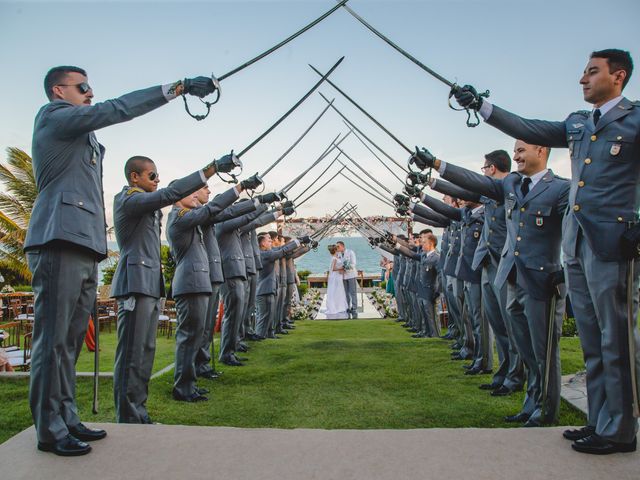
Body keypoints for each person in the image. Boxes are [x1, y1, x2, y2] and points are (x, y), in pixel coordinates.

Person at [454, 48, 639, 455]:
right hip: (577, 247)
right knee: (593, 340)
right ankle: (601, 421)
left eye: (592, 72)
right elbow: (526, 124)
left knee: (616, 340)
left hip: (613, 243)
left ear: (619, 76)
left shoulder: (635, 118)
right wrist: (482, 106)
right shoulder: (578, 123)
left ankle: (622, 428)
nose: (582, 79)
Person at [25, 65, 216, 456]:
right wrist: (175, 88)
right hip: (58, 237)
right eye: (83, 87)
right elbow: (117, 109)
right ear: (59, 91)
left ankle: (66, 415)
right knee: (54, 340)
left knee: (72, 340)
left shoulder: (83, 137)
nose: (90, 92)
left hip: (82, 242)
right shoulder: (54, 116)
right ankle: (49, 427)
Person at [412, 139, 569, 428]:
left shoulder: (561, 188)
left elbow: (573, 229)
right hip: (511, 275)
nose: (517, 155)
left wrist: (566, 272)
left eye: (521, 150)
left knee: (543, 350)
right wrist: (435, 169)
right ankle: (531, 402)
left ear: (542, 151)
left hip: (541, 277)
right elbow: (466, 186)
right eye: (514, 151)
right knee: (525, 346)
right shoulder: (512, 187)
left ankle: (546, 410)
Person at [111, 154, 236, 423]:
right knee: (132, 354)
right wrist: (209, 170)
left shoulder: (147, 206)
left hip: (149, 285)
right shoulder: (128, 199)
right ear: (135, 177)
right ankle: (128, 415)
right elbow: (171, 193)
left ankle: (138, 412)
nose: (157, 180)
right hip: (134, 283)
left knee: (145, 352)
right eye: (152, 176)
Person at [323, 244, 350, 319]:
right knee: (336, 291)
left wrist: (342, 268)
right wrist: (341, 268)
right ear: (335, 250)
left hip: (338, 276)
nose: (338, 249)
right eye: (336, 248)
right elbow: (333, 269)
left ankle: (339, 307)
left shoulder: (335, 257)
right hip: (335, 277)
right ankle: (336, 307)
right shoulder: (334, 258)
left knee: (339, 291)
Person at [336, 241, 358, 318]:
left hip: (351, 275)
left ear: (343, 246)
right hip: (343, 276)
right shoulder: (338, 254)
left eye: (338, 246)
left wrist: (345, 268)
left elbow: (353, 263)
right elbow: (337, 264)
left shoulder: (350, 252)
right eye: (336, 247)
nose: (337, 248)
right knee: (346, 293)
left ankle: (354, 308)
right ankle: (347, 307)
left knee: (353, 292)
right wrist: (339, 269)